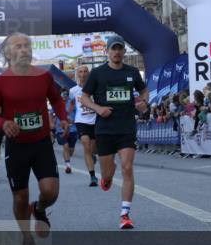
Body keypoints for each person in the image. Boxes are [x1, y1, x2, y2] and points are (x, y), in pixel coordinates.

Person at [0, 33, 69, 238]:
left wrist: (63, 118)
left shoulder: (44, 76)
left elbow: (56, 99)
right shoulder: (0, 82)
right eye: (19, 46)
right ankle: (26, 236)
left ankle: (39, 208)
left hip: (41, 143)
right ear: (8, 52)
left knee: (51, 192)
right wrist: (3, 123)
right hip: (17, 146)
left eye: (27, 46)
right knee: (20, 197)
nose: (25, 50)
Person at [79, 35, 148, 229]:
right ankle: (107, 176)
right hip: (105, 130)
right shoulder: (98, 73)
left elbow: (144, 91)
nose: (117, 52)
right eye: (113, 49)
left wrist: (144, 102)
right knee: (108, 175)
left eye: (120, 49)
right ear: (107, 52)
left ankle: (125, 214)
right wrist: (98, 109)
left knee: (127, 167)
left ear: (124, 52)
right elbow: (84, 97)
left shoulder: (133, 72)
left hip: (126, 127)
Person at [68, 65, 99, 187]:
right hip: (81, 121)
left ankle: (93, 155)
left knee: (94, 148)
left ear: (89, 73)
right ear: (77, 74)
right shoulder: (73, 91)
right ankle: (92, 177)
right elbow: (70, 103)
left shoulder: (95, 87)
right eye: (81, 71)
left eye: (86, 71)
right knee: (86, 145)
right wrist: (69, 114)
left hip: (95, 120)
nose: (83, 74)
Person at [52, 94, 78, 176]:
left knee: (70, 150)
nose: (64, 96)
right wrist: (52, 123)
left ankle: (68, 159)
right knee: (65, 146)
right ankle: (68, 166)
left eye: (66, 94)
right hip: (61, 130)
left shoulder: (72, 103)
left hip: (73, 129)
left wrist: (74, 121)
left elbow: (79, 114)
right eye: (62, 94)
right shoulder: (56, 104)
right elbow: (51, 114)